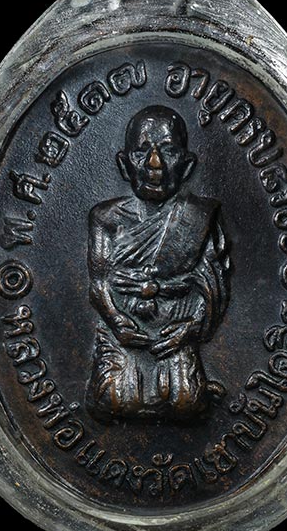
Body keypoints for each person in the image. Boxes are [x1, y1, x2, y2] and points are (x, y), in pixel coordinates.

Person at [86, 105, 230, 421]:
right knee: (112, 403)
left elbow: (214, 289)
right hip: (123, 334)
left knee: (186, 405)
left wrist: (189, 329)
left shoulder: (199, 217)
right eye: (142, 152)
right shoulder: (105, 218)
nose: (155, 164)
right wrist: (116, 321)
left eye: (168, 151)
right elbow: (99, 284)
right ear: (124, 165)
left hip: (175, 334)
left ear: (187, 166)